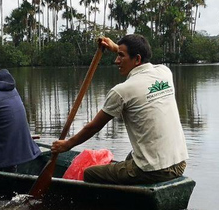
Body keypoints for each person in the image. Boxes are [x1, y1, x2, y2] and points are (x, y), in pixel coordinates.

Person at [51, 34, 188, 184]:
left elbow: (94, 127)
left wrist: (67, 144)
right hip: (179, 164)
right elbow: (143, 59)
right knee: (131, 157)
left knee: (89, 173)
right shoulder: (164, 72)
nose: (116, 61)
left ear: (137, 59)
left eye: (121, 56)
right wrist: (116, 48)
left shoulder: (122, 91)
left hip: (154, 171)